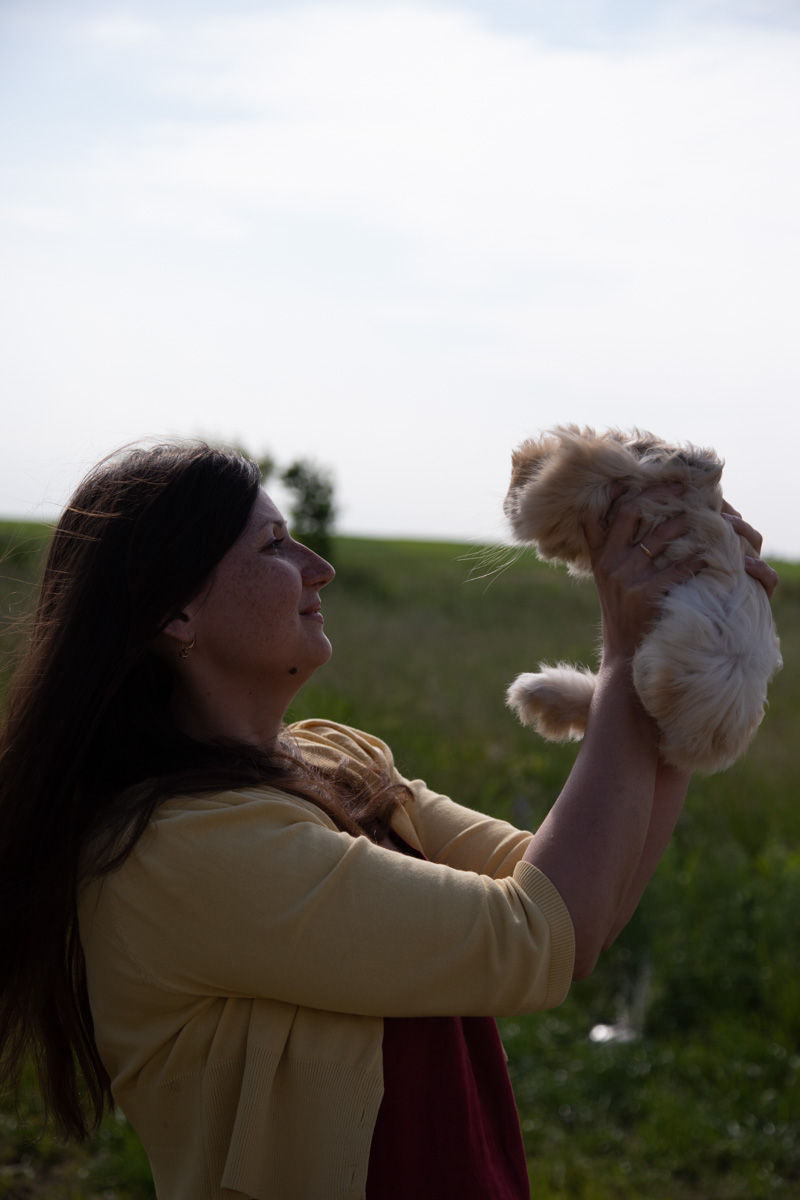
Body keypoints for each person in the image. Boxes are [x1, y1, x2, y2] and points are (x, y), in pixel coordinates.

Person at [0, 441, 778, 1200]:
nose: (320, 567)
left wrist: (695, 643)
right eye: (275, 545)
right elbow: (543, 929)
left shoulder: (333, 757)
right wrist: (621, 651)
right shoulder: (178, 849)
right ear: (175, 609)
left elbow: (585, 904)